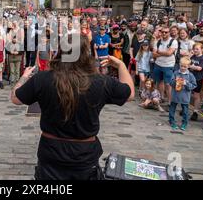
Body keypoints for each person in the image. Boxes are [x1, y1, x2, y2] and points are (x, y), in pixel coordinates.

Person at [10, 36, 134, 180]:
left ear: (60, 52)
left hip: (52, 151)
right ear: (86, 54)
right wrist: (121, 66)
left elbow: (15, 98)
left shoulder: (42, 78)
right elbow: (130, 94)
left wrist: (24, 77)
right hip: (84, 154)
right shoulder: (101, 81)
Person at [169, 57, 197, 131]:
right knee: (172, 109)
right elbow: (171, 83)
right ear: (179, 65)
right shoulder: (175, 73)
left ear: (188, 66)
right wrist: (175, 81)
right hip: (175, 95)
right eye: (181, 66)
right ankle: (171, 121)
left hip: (185, 97)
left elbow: (194, 85)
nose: (183, 68)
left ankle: (184, 123)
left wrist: (186, 83)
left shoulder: (190, 75)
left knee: (185, 111)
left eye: (185, 66)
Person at [153, 27, 179, 104]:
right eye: (163, 32)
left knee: (168, 84)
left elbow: (169, 53)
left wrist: (159, 52)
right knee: (159, 82)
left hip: (168, 65)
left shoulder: (173, 41)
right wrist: (164, 53)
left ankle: (170, 102)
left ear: (169, 33)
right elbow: (153, 55)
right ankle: (161, 97)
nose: (164, 33)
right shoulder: (157, 41)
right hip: (158, 64)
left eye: (166, 32)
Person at [189, 43, 203, 121]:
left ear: (202, 49)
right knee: (188, 93)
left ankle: (195, 111)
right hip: (189, 77)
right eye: (194, 49)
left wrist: (190, 66)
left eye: (197, 49)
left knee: (196, 96)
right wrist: (189, 56)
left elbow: (199, 68)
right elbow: (184, 62)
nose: (195, 50)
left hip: (198, 78)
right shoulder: (192, 56)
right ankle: (185, 108)